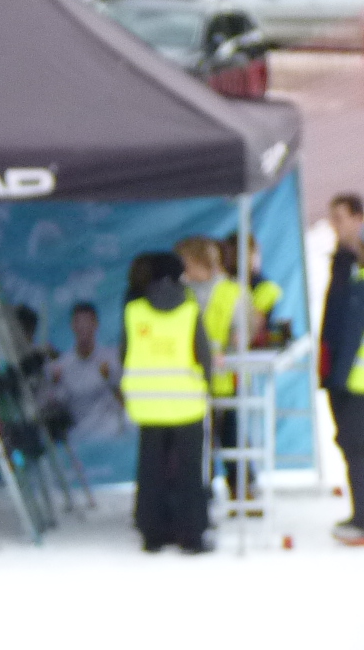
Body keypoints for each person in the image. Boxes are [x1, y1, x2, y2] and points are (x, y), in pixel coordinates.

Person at [123, 253, 215, 553]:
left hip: (147, 403)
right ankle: (192, 535)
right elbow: (203, 354)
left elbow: (125, 353)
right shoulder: (189, 309)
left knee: (151, 470)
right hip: (186, 402)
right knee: (189, 472)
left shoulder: (134, 311)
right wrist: (207, 386)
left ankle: (152, 533)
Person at [179, 235, 250, 500]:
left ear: (201, 262)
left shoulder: (232, 292)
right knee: (197, 443)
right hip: (191, 381)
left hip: (225, 378)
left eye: (186, 263)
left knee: (231, 437)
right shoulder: (181, 292)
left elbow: (242, 334)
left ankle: (242, 490)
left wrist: (232, 347)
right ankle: (201, 493)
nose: (183, 269)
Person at [322, 194, 364, 546]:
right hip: (342, 375)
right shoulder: (343, 265)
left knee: (358, 447)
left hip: (354, 378)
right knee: (352, 446)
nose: (334, 225)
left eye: (340, 217)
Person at [48, 302, 124, 444]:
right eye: (79, 322)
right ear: (72, 326)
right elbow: (56, 406)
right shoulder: (61, 367)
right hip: (81, 434)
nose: (83, 327)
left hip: (112, 429)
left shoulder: (112, 357)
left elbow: (126, 400)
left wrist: (111, 378)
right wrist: (55, 384)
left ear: (96, 324)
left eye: (87, 322)